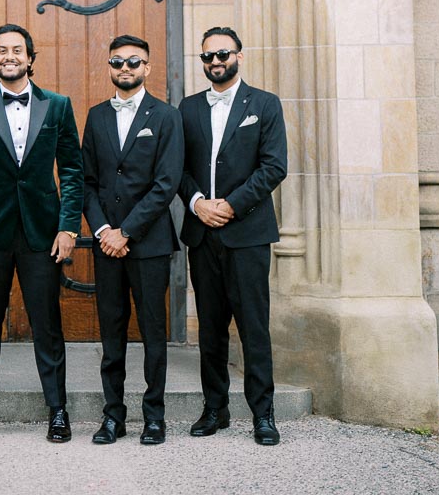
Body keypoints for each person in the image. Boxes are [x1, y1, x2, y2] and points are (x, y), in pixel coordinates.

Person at [0, 24, 83, 442]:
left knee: (48, 325)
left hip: (42, 235)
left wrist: (68, 227)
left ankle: (58, 410)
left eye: (17, 50)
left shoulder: (59, 106)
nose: (9, 56)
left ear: (30, 58)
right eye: (1, 51)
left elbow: (73, 172)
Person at [179, 26, 287, 446]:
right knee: (210, 328)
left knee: (253, 327)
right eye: (208, 56)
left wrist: (231, 204)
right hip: (202, 233)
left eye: (223, 54)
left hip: (247, 233)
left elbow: (274, 166)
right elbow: (177, 170)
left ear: (240, 55)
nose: (215, 62)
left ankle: (263, 413)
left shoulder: (264, 104)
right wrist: (197, 203)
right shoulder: (187, 109)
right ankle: (215, 409)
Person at [82, 34, 183, 446]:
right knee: (112, 333)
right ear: (109, 67)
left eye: (133, 62)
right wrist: (105, 230)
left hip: (149, 243)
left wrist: (127, 231)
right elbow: (87, 181)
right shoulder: (96, 115)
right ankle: (113, 416)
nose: (125, 69)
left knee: (154, 332)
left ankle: (153, 416)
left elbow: (166, 183)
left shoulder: (166, 116)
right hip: (106, 244)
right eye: (118, 62)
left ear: (147, 67)